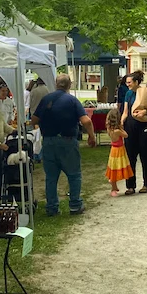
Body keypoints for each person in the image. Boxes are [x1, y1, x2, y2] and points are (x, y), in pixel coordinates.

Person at [32, 73, 95, 215]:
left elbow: (34, 120)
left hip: (48, 141)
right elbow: (86, 121)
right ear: (69, 85)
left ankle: (52, 207)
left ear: (55, 84)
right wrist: (91, 136)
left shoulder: (46, 99)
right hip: (67, 141)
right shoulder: (72, 101)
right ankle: (75, 205)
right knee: (74, 174)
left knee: (51, 177)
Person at [120, 70, 147, 195]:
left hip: (144, 127)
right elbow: (126, 111)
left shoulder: (146, 92)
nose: (128, 85)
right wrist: (121, 123)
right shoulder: (128, 94)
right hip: (130, 126)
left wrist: (145, 112)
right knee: (130, 156)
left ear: (137, 82)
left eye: (130, 82)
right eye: (126, 83)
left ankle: (146, 184)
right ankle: (130, 185)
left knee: (146, 155)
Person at [104, 109, 133, 197]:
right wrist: (121, 127)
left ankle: (114, 186)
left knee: (113, 167)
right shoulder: (118, 131)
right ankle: (113, 188)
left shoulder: (109, 129)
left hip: (113, 149)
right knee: (118, 166)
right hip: (119, 150)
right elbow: (126, 135)